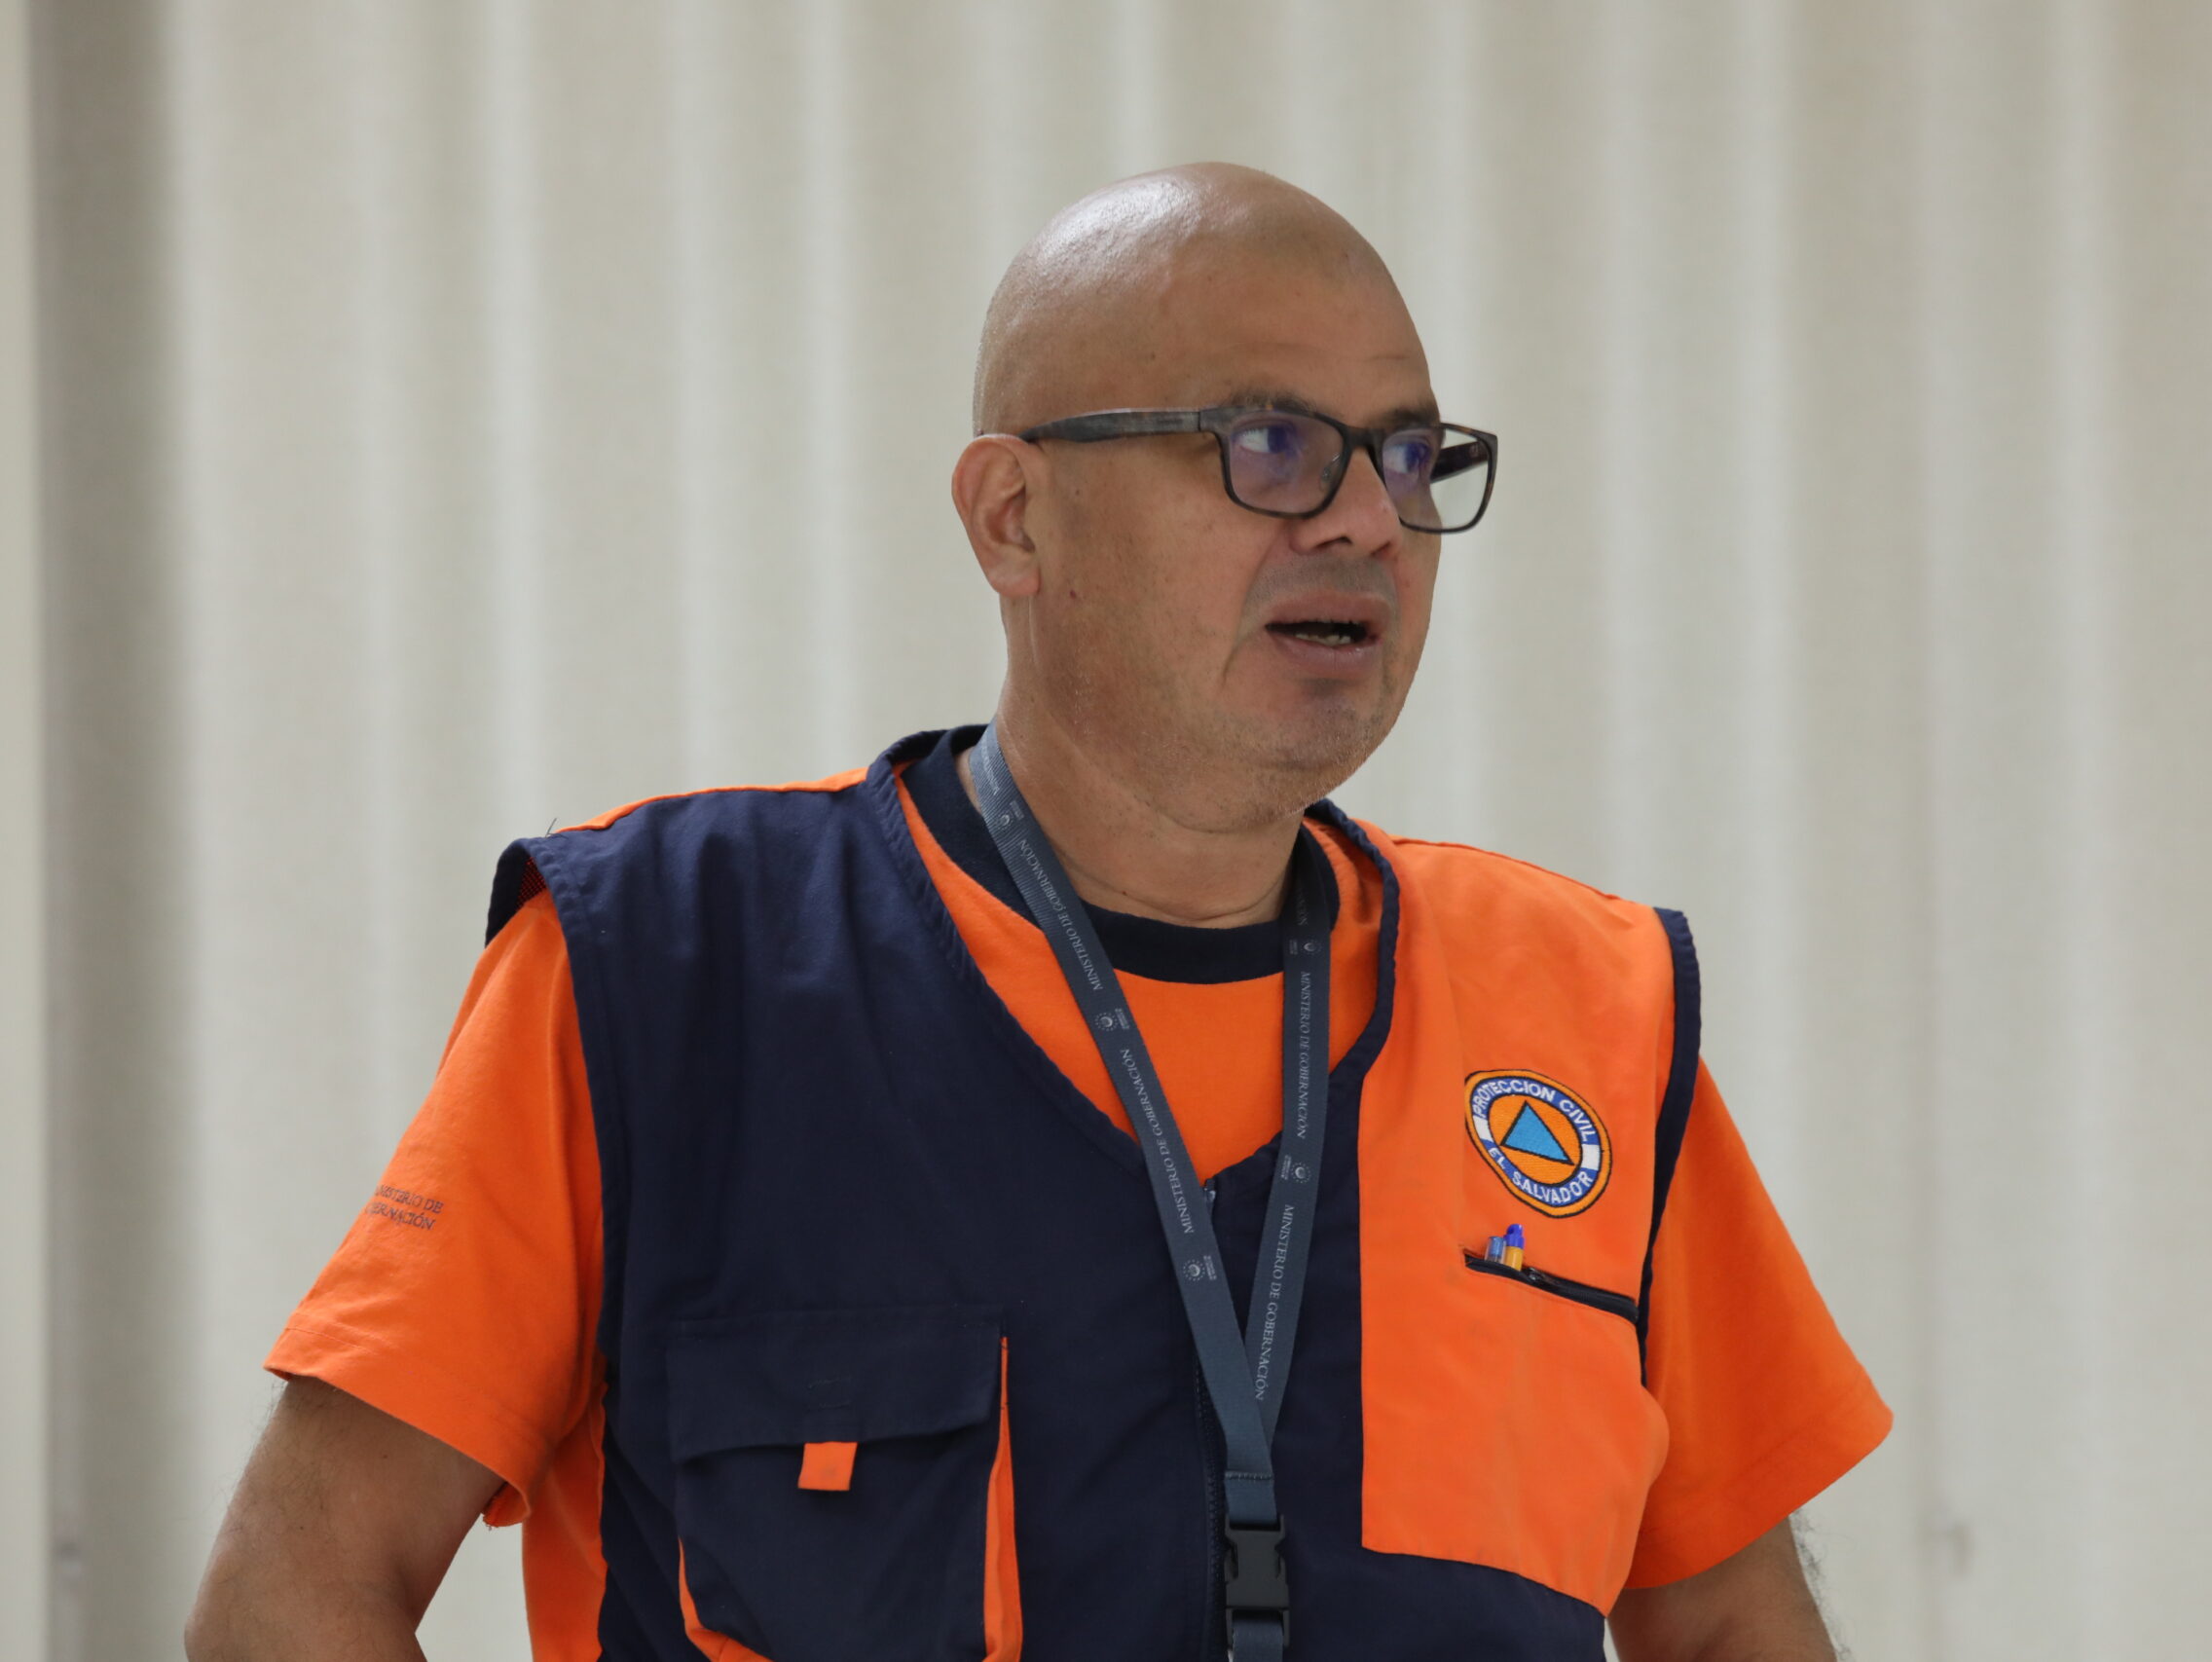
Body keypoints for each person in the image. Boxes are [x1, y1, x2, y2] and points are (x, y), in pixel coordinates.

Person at [186, 163, 1889, 1662]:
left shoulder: (1584, 1014)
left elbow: (1731, 1624)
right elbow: (294, 1592)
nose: (1372, 520)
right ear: (1016, 518)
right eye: (1272, 448)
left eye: (1405, 455)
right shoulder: (665, 972)